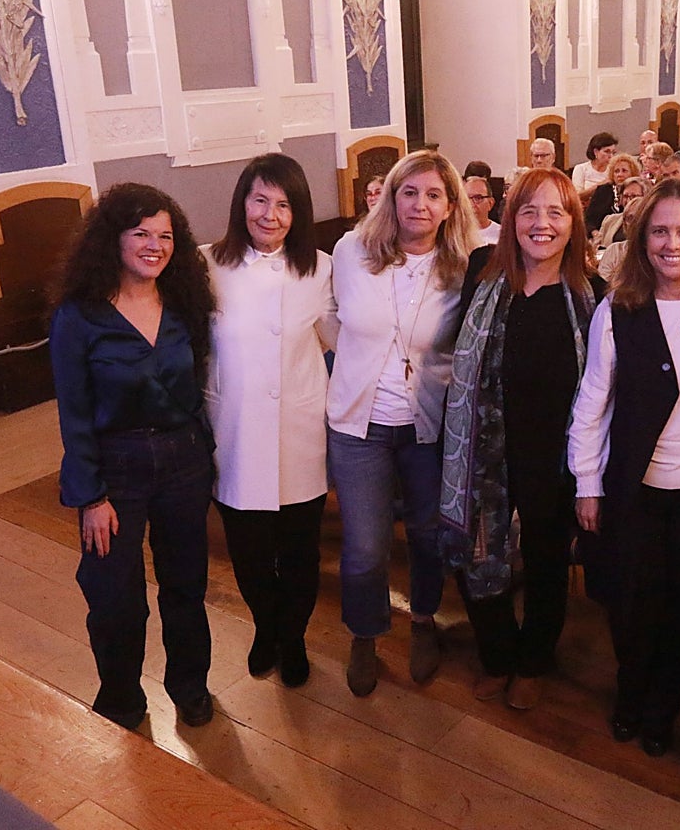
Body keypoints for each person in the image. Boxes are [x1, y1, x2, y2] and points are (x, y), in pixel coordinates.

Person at [568, 179, 680, 758]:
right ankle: (632, 690)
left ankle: (664, 706)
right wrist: (587, 485)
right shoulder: (618, 310)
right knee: (632, 603)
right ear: (642, 239)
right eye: (660, 232)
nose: (673, 244)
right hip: (637, 489)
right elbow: (591, 404)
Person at [50, 183, 216, 730]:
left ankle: (190, 685)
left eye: (165, 235)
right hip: (114, 469)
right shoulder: (80, 316)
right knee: (114, 594)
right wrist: (90, 496)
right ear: (112, 239)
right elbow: (73, 415)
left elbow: (198, 387)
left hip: (183, 459)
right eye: (141, 232)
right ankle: (121, 696)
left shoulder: (187, 304)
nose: (155, 245)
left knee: (186, 583)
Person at [440, 168, 604, 711]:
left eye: (556, 212)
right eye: (530, 211)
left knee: (546, 559)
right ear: (511, 221)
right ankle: (497, 654)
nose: (542, 224)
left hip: (554, 456)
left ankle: (535, 659)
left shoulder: (590, 297)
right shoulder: (481, 277)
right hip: (485, 449)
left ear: (573, 223)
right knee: (479, 551)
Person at [325, 150, 482, 697]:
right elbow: (327, 315)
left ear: (449, 206)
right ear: (391, 198)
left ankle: (422, 622)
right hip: (358, 423)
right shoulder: (351, 251)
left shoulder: (467, 264)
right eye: (409, 192)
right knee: (366, 545)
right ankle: (365, 633)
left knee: (425, 534)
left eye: (433, 194)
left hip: (429, 425)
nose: (420, 203)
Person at [203, 154, 332, 689]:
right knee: (250, 555)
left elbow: (343, 340)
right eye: (260, 200)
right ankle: (266, 626)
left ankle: (295, 637)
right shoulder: (206, 263)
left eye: (284, 204)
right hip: (234, 431)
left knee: (301, 554)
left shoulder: (321, 268)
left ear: (298, 212)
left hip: (300, 432)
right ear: (242, 203)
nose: (271, 215)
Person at [585, 153, 642, 236]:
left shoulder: (638, 190)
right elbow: (589, 220)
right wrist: (594, 233)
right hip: (600, 235)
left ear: (633, 173)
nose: (619, 175)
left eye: (624, 171)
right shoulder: (603, 190)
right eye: (616, 171)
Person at [572, 132, 619, 197]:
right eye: (607, 152)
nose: (611, 156)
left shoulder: (614, 171)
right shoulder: (581, 169)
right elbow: (577, 195)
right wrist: (602, 185)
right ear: (596, 152)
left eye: (613, 152)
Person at [465, 176, 501, 245]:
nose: (471, 204)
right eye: (466, 199)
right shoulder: (453, 235)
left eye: (478, 198)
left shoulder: (503, 235)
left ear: (490, 203)